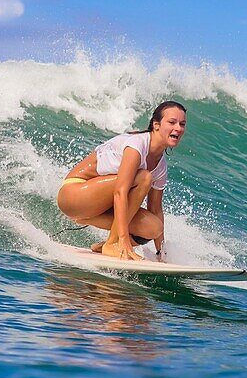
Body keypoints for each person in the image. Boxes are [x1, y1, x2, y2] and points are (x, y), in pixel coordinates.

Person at [56, 101, 187, 262]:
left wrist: (161, 253)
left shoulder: (161, 167)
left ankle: (106, 244)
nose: (178, 128)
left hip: (98, 205)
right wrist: (124, 240)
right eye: (172, 122)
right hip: (73, 195)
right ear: (156, 125)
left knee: (154, 227)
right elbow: (120, 191)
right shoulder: (137, 145)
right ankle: (114, 243)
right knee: (144, 177)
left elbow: (155, 209)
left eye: (182, 124)